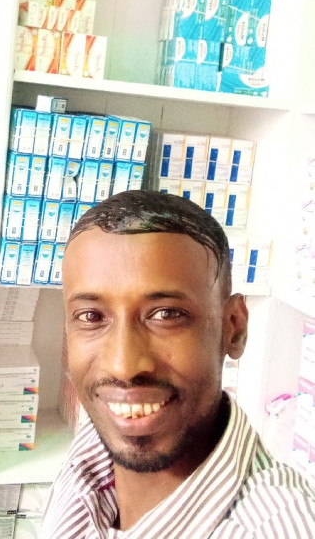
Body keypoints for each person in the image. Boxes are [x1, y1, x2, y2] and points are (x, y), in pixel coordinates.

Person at [40, 190, 315, 538]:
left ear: (234, 328)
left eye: (166, 314)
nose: (123, 367)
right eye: (91, 316)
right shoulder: (91, 453)